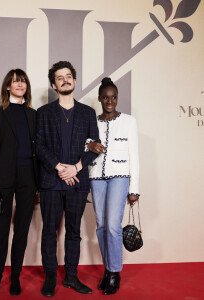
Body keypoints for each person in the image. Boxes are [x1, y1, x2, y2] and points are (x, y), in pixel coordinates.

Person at [36, 61, 99, 297]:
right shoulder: (44, 113)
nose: (65, 79)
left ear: (74, 80)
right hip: (51, 181)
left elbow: (95, 147)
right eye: (60, 77)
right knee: (49, 231)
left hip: (77, 182)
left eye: (68, 76)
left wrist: (76, 167)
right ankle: (50, 275)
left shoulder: (88, 113)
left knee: (73, 231)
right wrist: (59, 167)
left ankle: (71, 276)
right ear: (54, 84)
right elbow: (39, 146)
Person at [0, 69, 38, 296]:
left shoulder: (33, 114)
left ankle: (15, 276)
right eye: (15, 81)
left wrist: (39, 182)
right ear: (7, 86)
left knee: (22, 231)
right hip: (3, 179)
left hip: (28, 178)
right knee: (1, 230)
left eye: (23, 80)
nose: (20, 84)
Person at [86, 77, 140, 295]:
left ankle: (115, 272)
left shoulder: (129, 121)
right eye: (106, 97)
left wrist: (134, 188)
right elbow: (84, 144)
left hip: (120, 176)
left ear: (117, 98)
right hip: (96, 176)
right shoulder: (93, 121)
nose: (110, 101)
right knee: (100, 225)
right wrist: (88, 144)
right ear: (100, 99)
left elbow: (134, 155)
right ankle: (108, 270)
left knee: (113, 226)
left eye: (114, 97)